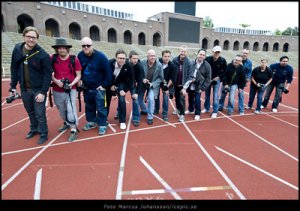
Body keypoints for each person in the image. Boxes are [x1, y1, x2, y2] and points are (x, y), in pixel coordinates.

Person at [9, 26, 52, 145]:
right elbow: (14, 67)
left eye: (33, 37)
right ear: (24, 37)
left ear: (37, 39)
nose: (31, 39)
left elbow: (48, 74)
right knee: (30, 112)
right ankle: (34, 129)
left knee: (40, 113)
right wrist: (12, 86)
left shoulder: (42, 54)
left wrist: (43, 92)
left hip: (38, 89)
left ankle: (43, 133)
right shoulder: (17, 48)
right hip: (24, 88)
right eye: (29, 37)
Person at [77, 37, 112, 135]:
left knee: (101, 108)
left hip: (99, 88)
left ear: (92, 45)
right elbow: (79, 70)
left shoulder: (100, 56)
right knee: (89, 106)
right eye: (84, 46)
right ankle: (92, 122)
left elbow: (108, 72)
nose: (86, 47)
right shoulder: (80, 55)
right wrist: (79, 79)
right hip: (87, 88)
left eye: (88, 45)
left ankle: (102, 125)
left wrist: (104, 85)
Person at [51, 38, 82, 142]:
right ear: (56, 49)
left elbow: (78, 75)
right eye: (59, 48)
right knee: (61, 109)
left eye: (63, 48)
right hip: (56, 89)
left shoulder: (74, 59)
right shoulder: (53, 59)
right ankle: (66, 122)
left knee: (71, 108)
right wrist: (56, 81)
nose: (61, 50)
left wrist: (71, 84)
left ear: (67, 49)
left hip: (71, 89)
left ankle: (73, 129)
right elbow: (49, 74)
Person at [107, 49, 134, 130]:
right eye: (119, 58)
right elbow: (106, 75)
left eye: (123, 58)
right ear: (116, 58)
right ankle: (104, 118)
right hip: (110, 82)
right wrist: (111, 85)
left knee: (122, 100)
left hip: (121, 83)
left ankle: (122, 121)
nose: (121, 60)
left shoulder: (128, 65)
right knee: (106, 99)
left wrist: (124, 90)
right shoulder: (109, 63)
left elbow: (132, 79)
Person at [181, 48, 211, 120]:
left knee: (197, 99)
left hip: (199, 85)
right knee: (190, 97)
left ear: (205, 56)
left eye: (203, 55)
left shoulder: (207, 66)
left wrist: (202, 88)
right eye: (200, 54)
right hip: (191, 84)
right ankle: (191, 109)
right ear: (197, 54)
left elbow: (208, 79)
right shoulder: (192, 63)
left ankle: (197, 113)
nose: (201, 56)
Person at [140, 49, 164, 125]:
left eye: (154, 56)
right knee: (138, 98)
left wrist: (152, 84)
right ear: (147, 56)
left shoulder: (159, 65)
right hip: (143, 84)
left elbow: (161, 78)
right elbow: (138, 74)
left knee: (150, 99)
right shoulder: (142, 62)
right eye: (151, 56)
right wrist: (143, 79)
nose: (153, 57)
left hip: (153, 85)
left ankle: (150, 117)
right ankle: (144, 109)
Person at [202, 46, 227, 118]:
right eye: (216, 52)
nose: (217, 53)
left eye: (218, 52)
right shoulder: (207, 59)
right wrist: (206, 78)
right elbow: (204, 69)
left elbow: (225, 71)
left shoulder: (223, 60)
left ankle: (215, 111)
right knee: (207, 95)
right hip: (208, 79)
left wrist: (219, 77)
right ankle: (206, 108)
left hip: (217, 80)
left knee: (215, 96)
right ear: (212, 52)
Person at [172, 45, 193, 122]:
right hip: (175, 84)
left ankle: (182, 115)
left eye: (184, 51)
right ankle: (177, 109)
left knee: (182, 99)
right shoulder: (174, 60)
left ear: (187, 52)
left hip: (183, 85)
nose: (182, 53)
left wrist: (184, 88)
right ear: (179, 51)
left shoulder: (189, 62)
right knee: (176, 97)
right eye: (181, 51)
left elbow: (190, 76)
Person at [154, 50, 177, 121]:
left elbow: (172, 78)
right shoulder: (158, 62)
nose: (167, 58)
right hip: (158, 81)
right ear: (162, 56)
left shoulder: (173, 66)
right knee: (155, 96)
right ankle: (156, 109)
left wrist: (167, 87)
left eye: (168, 56)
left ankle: (164, 114)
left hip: (167, 83)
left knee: (165, 97)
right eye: (165, 56)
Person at [128, 50, 144, 127]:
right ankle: (118, 111)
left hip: (133, 84)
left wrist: (136, 93)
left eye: (137, 58)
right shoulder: (125, 64)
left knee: (135, 100)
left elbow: (140, 81)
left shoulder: (140, 67)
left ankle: (136, 118)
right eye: (134, 58)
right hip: (124, 83)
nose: (135, 60)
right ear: (130, 58)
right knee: (121, 98)